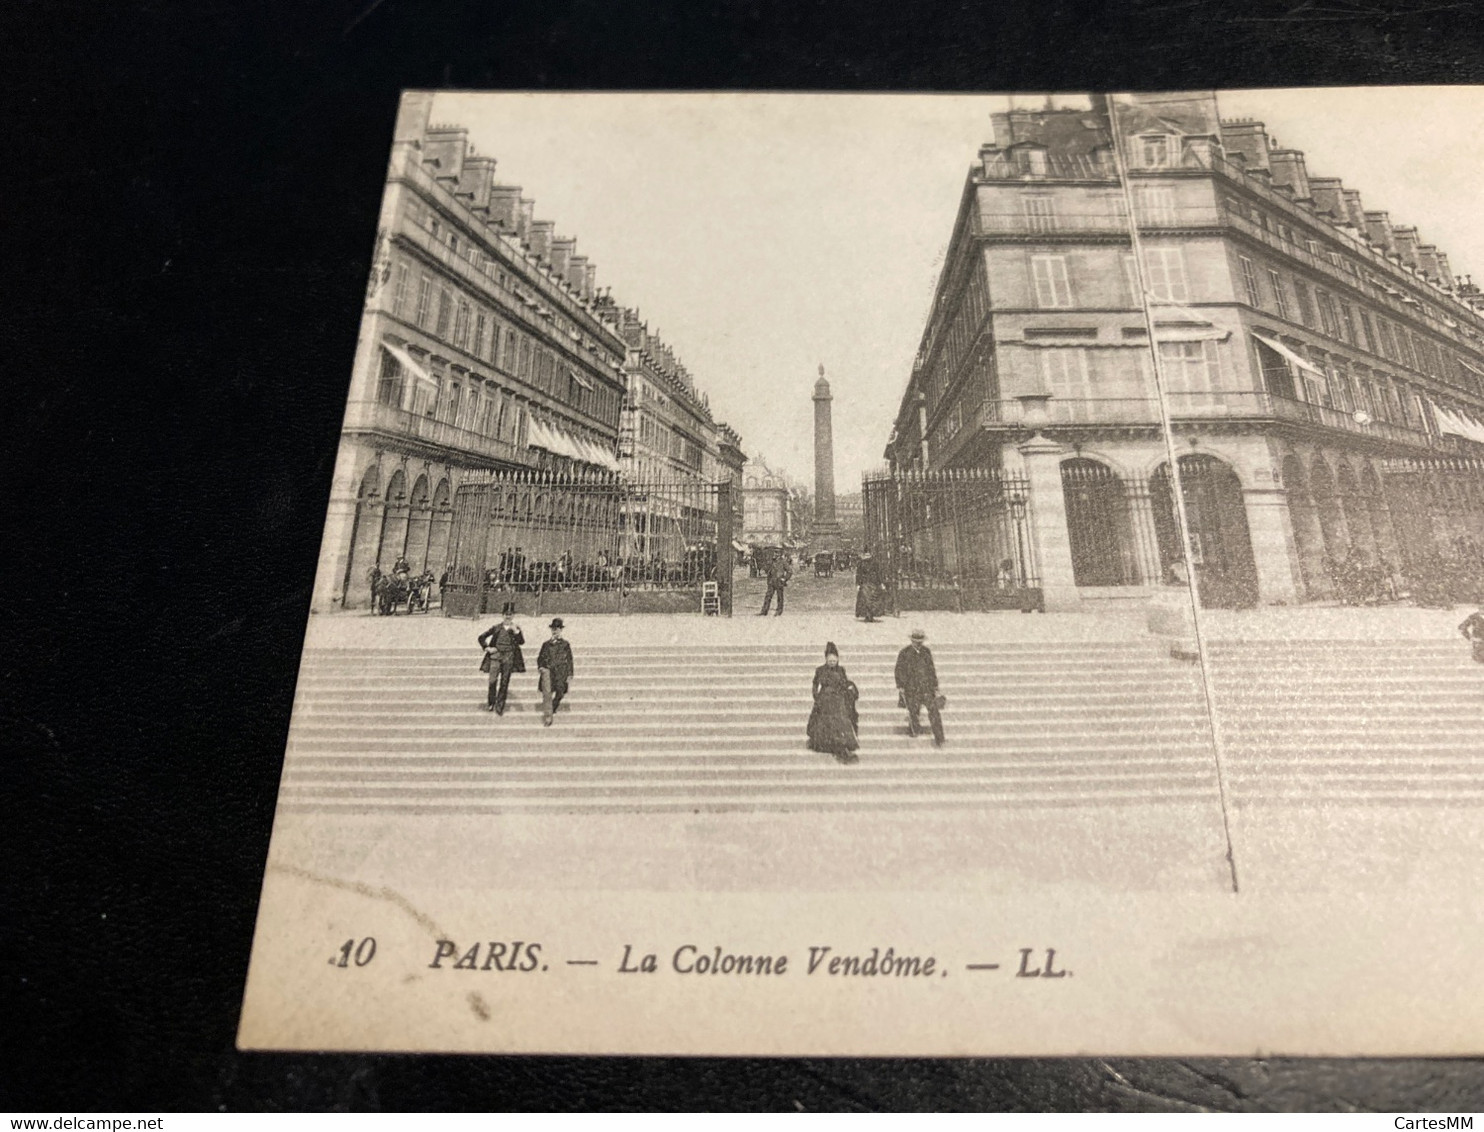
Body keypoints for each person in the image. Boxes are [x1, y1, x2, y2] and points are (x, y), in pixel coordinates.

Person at [807, 642, 859, 763]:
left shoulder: (841, 670)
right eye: (830, 661)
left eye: (834, 661)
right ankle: (824, 743)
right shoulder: (820, 670)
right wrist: (816, 696)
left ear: (837, 660)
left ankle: (841, 744)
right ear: (826, 660)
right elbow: (815, 684)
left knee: (840, 721)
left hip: (838, 699)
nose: (832, 663)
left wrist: (849, 690)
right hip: (824, 699)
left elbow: (845, 683)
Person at [895, 628, 944, 746]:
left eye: (920, 642)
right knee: (913, 710)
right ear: (912, 641)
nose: (918, 644)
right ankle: (914, 729)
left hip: (926, 688)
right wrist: (901, 686)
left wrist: (935, 686)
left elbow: (931, 670)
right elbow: (899, 670)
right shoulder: (904, 653)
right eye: (916, 641)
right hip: (911, 688)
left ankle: (939, 737)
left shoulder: (926, 652)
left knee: (933, 710)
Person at [477, 602, 526, 714]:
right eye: (506, 614)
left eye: (510, 614)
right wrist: (487, 648)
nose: (508, 616)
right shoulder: (497, 628)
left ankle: (500, 706)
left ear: (513, 615)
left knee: (504, 682)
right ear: (502, 615)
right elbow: (481, 637)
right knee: (492, 680)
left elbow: (521, 642)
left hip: (509, 657)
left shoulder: (516, 628)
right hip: (496, 656)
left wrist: (517, 632)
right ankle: (491, 702)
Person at [537, 618, 575, 727]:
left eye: (557, 629)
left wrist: (570, 673)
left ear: (561, 630)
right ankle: (548, 717)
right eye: (553, 629)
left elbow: (570, 659)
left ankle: (553, 706)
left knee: (560, 691)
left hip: (561, 672)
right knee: (547, 693)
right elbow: (540, 658)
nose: (555, 631)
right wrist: (540, 667)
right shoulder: (546, 644)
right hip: (548, 671)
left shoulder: (565, 644)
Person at [855, 550, 882, 623]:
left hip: (870, 583)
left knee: (870, 600)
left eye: (868, 554)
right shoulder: (861, 563)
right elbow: (859, 574)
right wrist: (858, 584)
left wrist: (880, 582)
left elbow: (878, 573)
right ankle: (868, 615)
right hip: (866, 583)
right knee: (867, 600)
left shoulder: (874, 563)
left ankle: (870, 615)